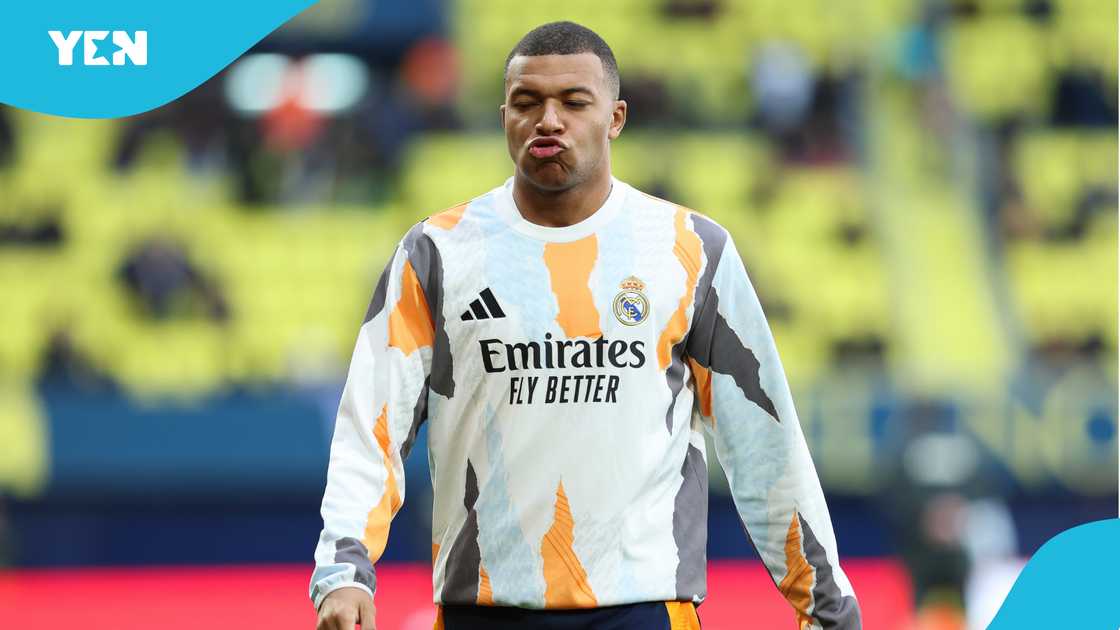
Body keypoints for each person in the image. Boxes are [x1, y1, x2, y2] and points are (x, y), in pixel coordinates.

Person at [311, 21, 861, 630]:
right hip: (484, 611)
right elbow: (371, 427)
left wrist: (826, 606)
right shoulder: (436, 252)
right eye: (527, 102)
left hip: (646, 610)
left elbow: (763, 441)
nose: (549, 120)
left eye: (574, 102)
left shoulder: (690, 250)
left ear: (616, 117)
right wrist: (344, 569)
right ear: (503, 118)